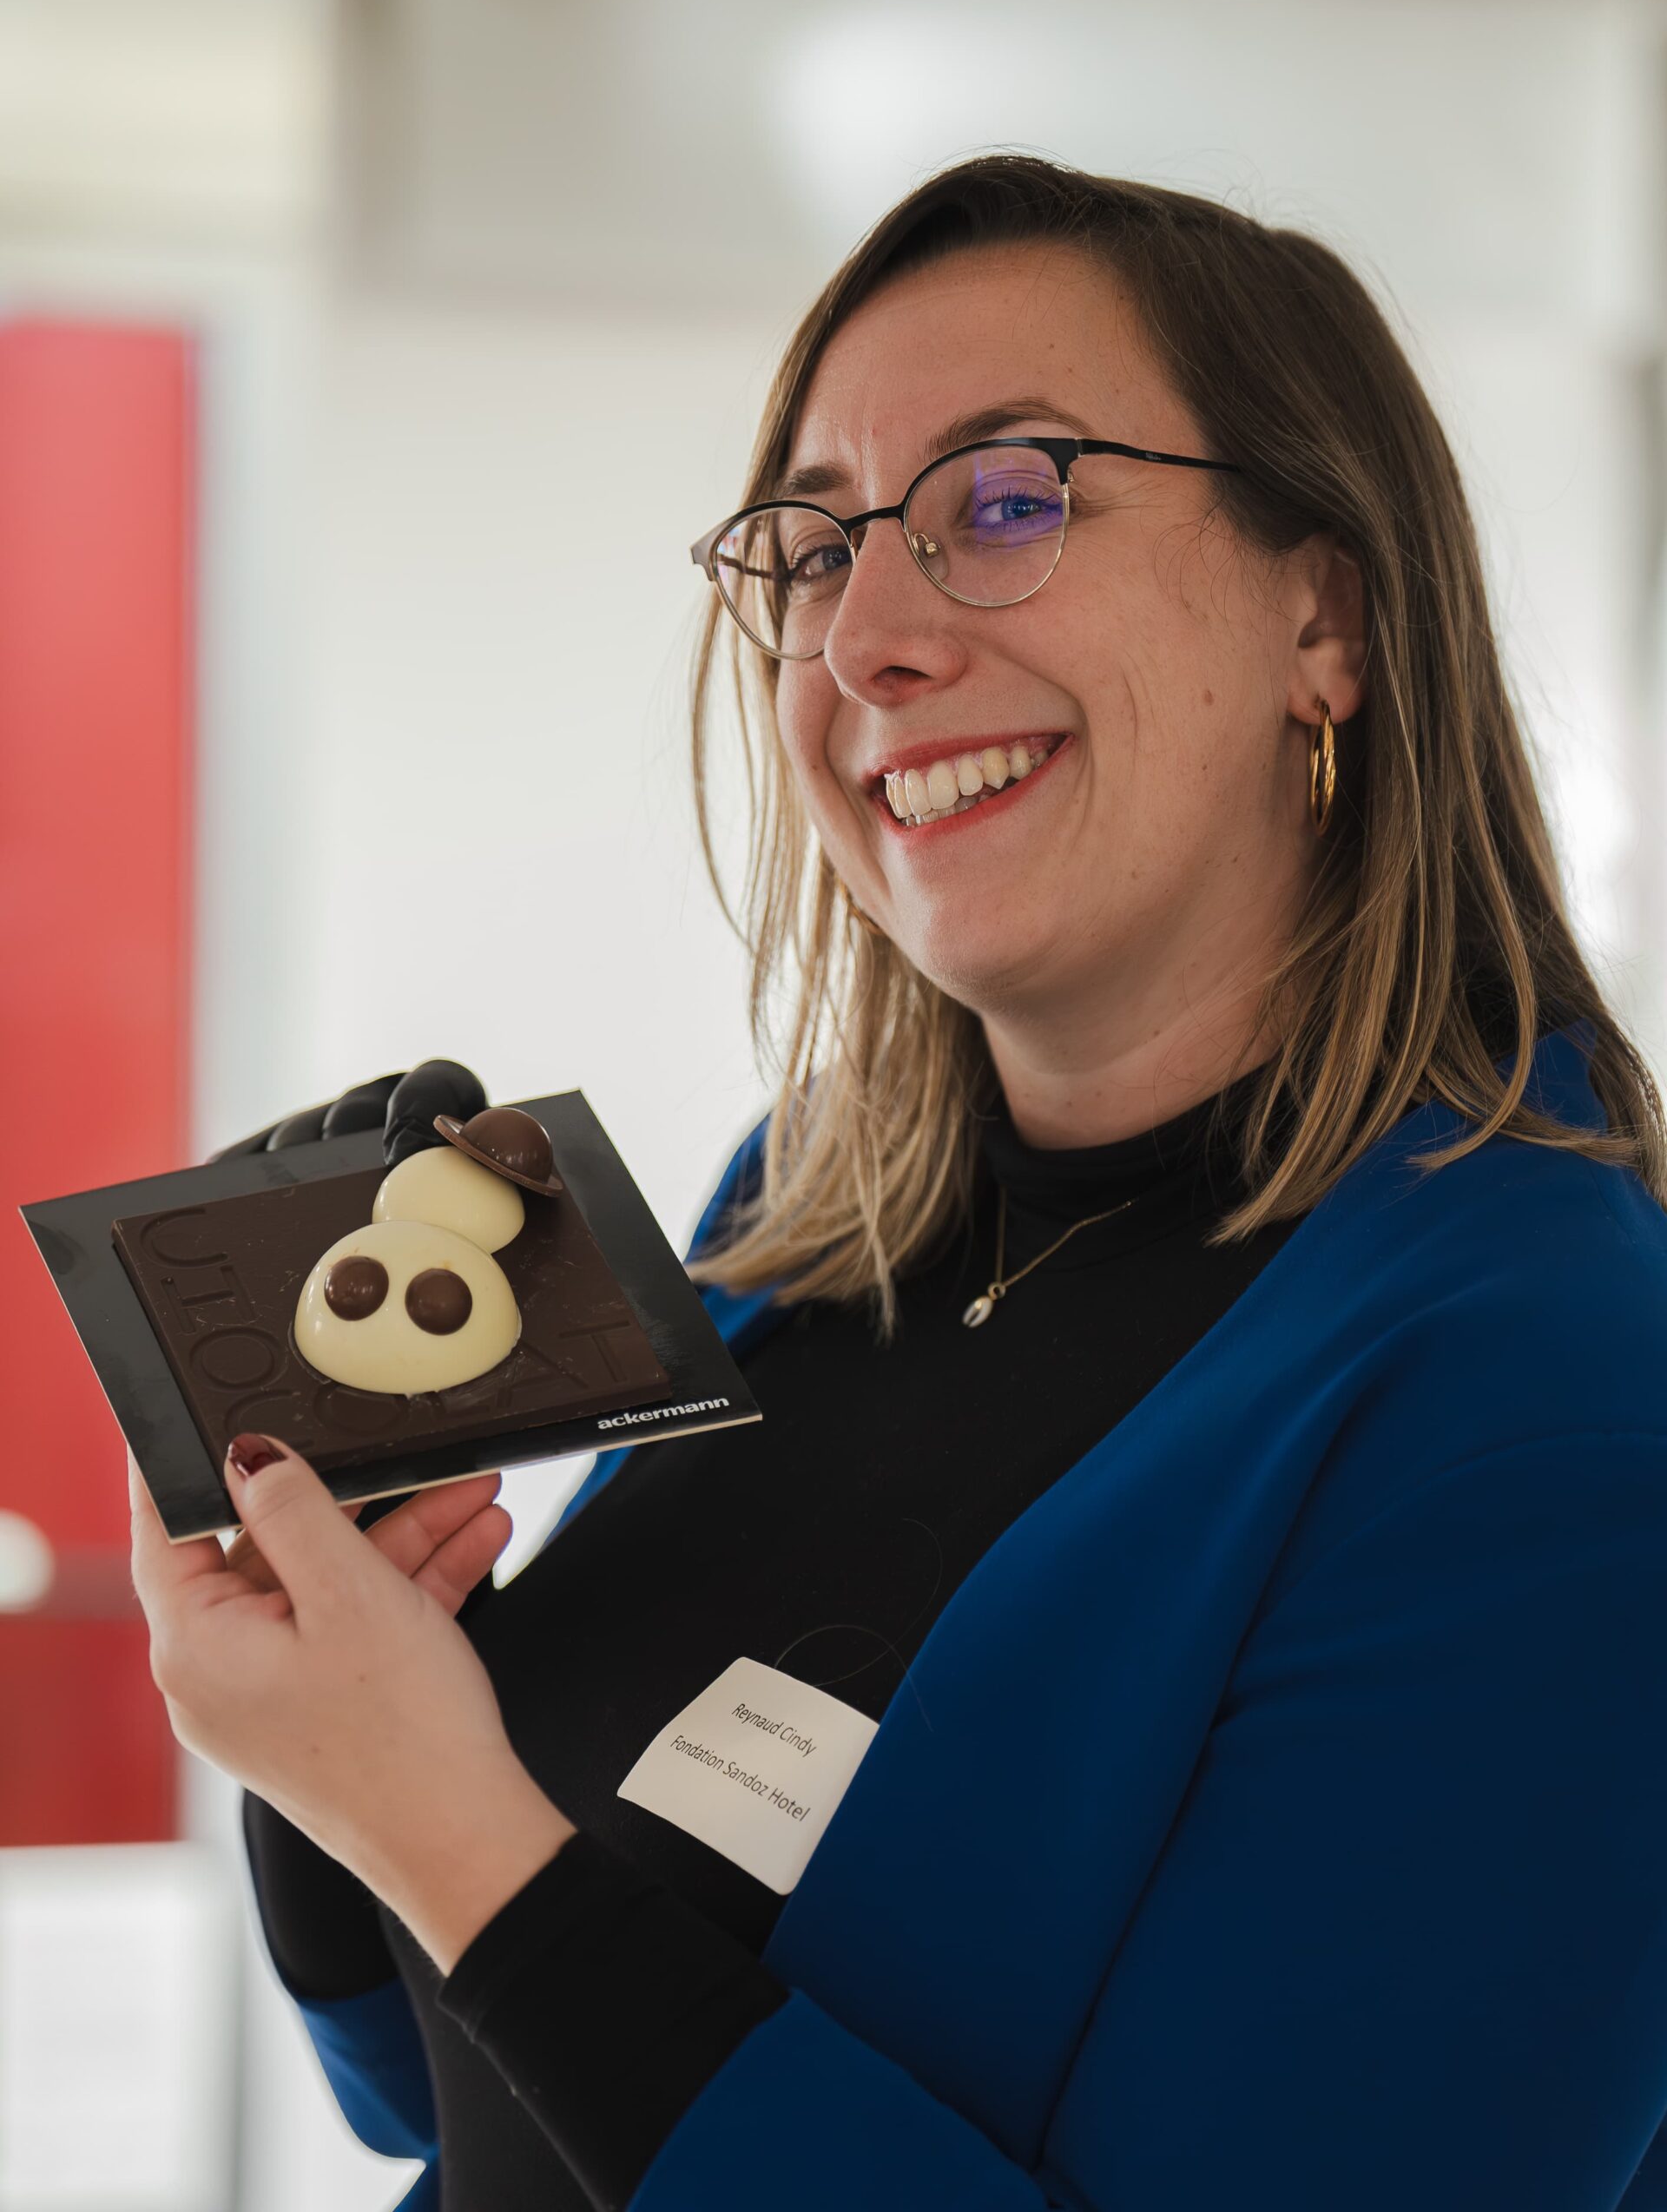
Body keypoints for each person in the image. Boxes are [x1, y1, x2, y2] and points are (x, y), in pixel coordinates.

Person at [128, 154, 1667, 2212]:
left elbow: (511, 1911)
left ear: (1328, 615)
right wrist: (341, 1651)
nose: (861, 638)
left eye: (1007, 501)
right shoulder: (806, 1209)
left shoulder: (1561, 1401)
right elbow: (442, 2090)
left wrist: (443, 1821)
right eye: (810, 548)